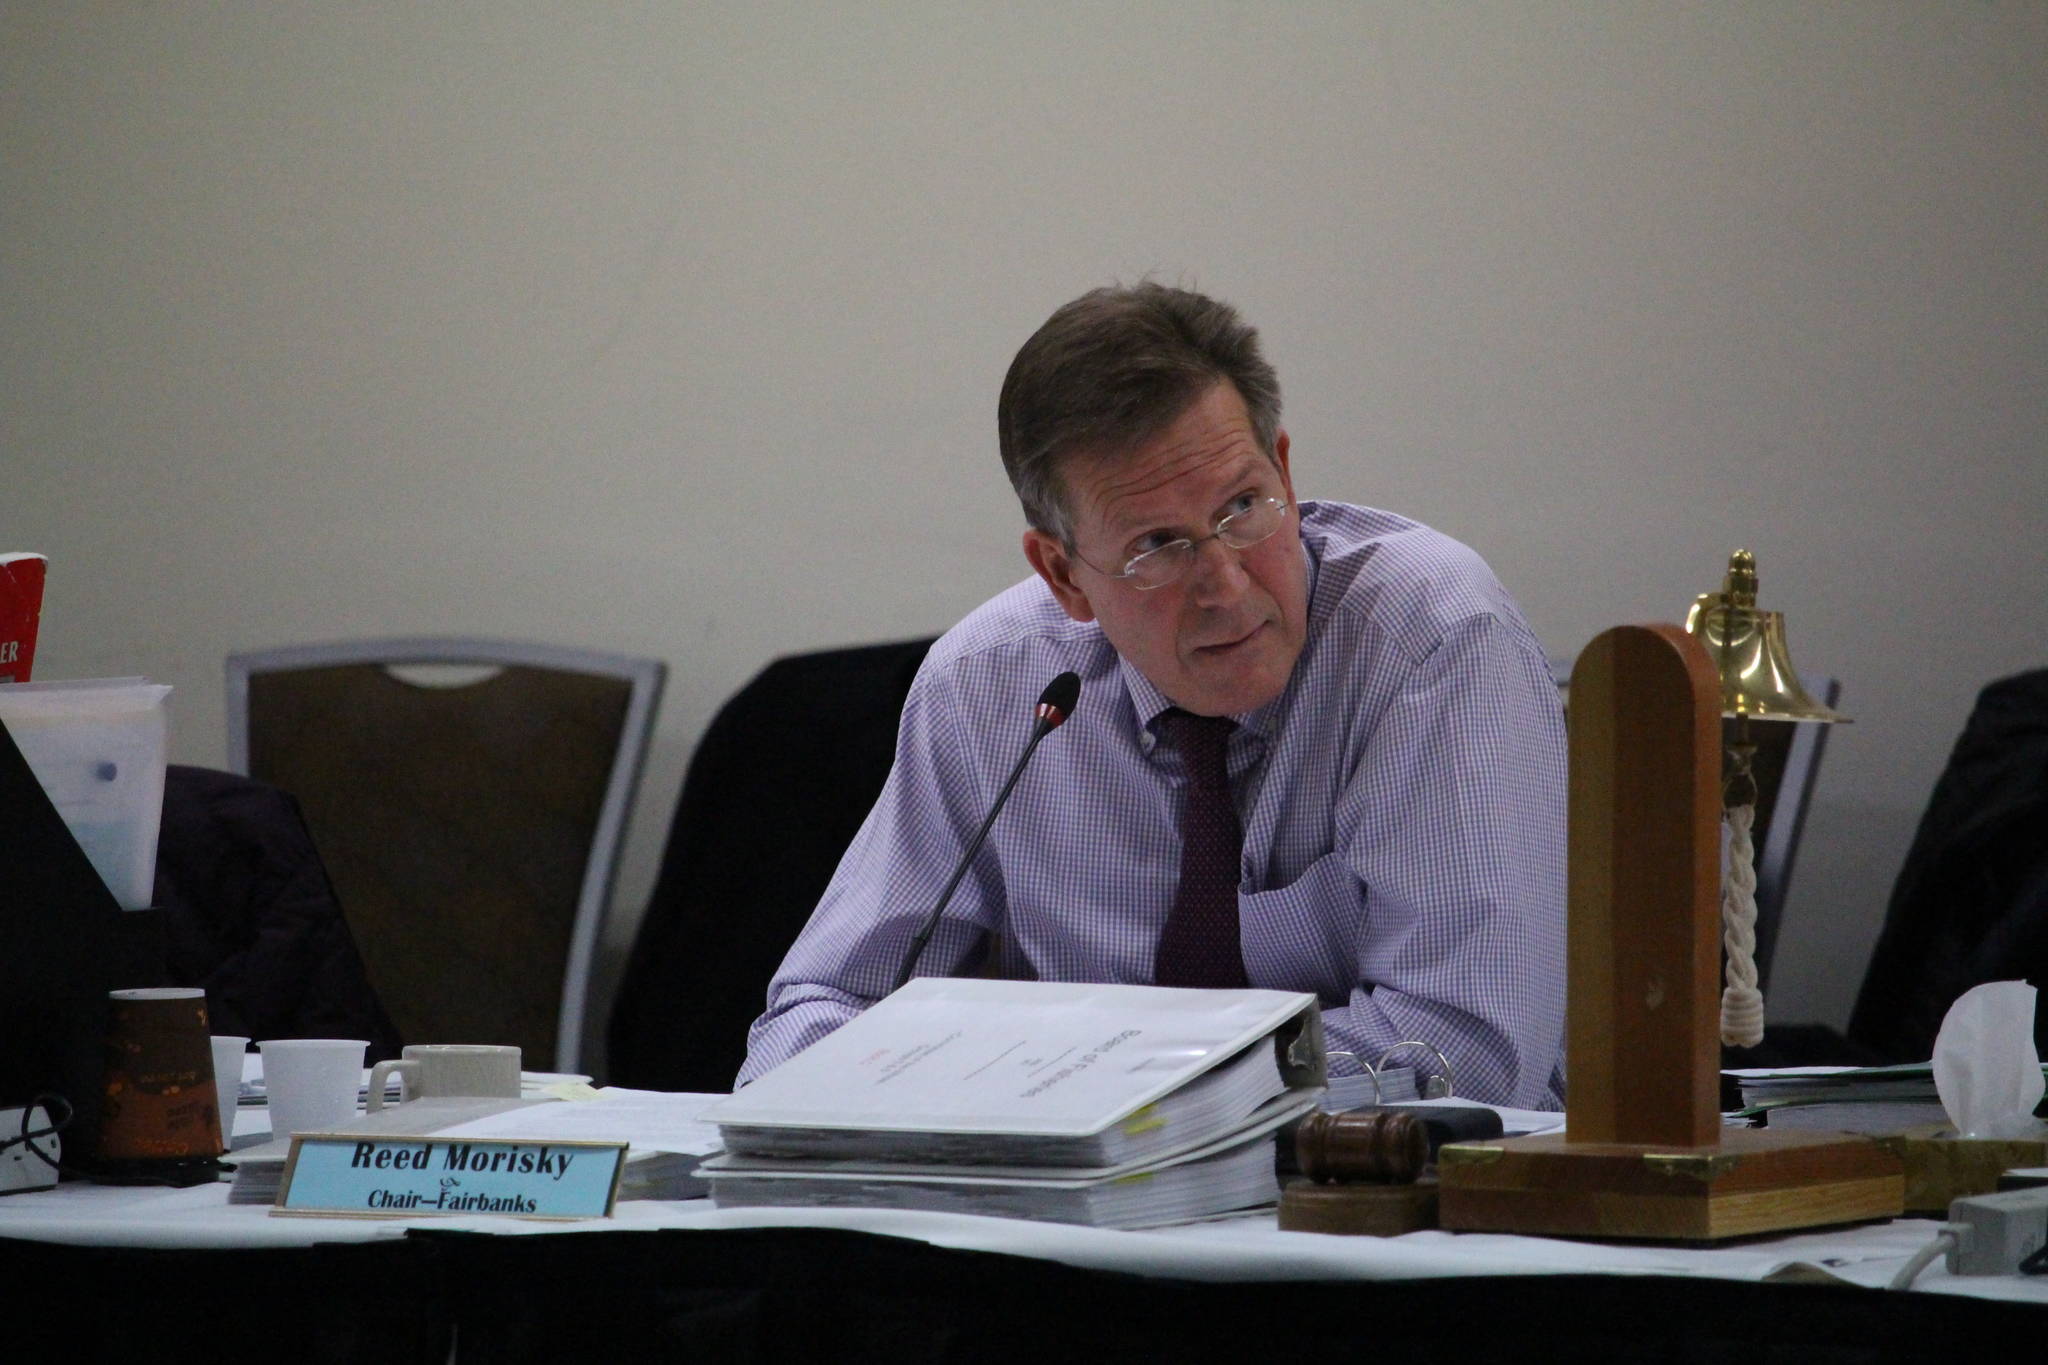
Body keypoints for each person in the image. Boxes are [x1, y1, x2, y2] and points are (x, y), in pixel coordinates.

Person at [738, 282, 1566, 1107]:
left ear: (1283, 466)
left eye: (1244, 506)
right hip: (1062, 1224)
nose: (1229, 584)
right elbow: (810, 1023)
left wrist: (1109, 1093)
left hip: (1385, 1221)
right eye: (1158, 547)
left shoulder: (1429, 640)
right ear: (1063, 574)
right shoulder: (988, 689)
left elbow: (1470, 1050)